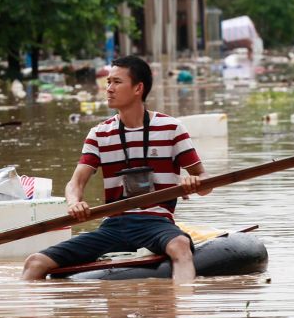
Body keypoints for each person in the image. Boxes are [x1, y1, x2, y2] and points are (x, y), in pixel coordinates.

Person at [22, 56, 207, 282]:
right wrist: (74, 202)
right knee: (35, 262)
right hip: (114, 225)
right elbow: (75, 183)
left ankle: (182, 310)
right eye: (108, 82)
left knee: (180, 245)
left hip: (157, 224)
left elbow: (204, 181)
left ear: (138, 88)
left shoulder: (172, 128)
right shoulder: (99, 134)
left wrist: (194, 182)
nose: (108, 89)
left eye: (116, 82)